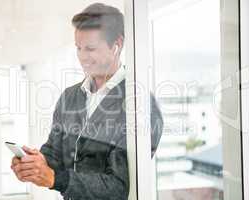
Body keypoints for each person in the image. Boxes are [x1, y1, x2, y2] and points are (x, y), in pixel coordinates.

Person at [11, 3, 163, 200]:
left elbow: (117, 186)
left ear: (116, 45)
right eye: (78, 48)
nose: (82, 57)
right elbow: (54, 153)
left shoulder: (140, 104)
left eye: (90, 48)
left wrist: (56, 179)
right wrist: (33, 164)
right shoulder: (69, 97)